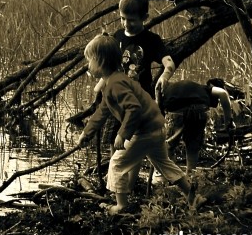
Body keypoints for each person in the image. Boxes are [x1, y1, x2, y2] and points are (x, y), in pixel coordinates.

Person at [77, 34, 196, 214]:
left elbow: (134, 108)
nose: (88, 66)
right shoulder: (116, 81)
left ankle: (121, 205)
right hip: (156, 127)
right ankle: (192, 196)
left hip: (145, 131)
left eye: (90, 61)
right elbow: (102, 110)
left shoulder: (116, 84)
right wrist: (87, 133)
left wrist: (122, 134)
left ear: (100, 63)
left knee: (116, 163)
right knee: (164, 163)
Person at [97, 0, 176, 188]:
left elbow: (168, 62)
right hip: (118, 102)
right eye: (122, 18)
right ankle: (114, 184)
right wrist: (100, 85)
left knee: (133, 144)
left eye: (131, 20)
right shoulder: (116, 37)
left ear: (145, 18)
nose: (126, 23)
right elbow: (110, 67)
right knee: (113, 141)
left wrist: (166, 73)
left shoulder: (151, 40)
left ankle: (128, 187)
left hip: (139, 103)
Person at [158, 78, 235, 175]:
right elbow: (223, 93)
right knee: (193, 147)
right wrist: (228, 121)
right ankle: (190, 177)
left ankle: (168, 177)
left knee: (169, 146)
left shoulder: (192, 87)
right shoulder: (208, 88)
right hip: (198, 110)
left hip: (176, 110)